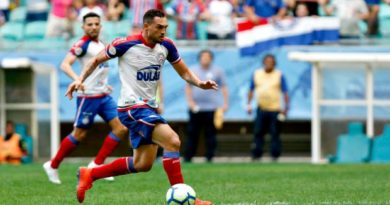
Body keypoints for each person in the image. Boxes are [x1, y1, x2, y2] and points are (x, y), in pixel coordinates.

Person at [65, 9, 213, 205]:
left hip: (148, 109)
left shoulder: (167, 45)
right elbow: (95, 60)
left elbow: (184, 72)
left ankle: (90, 174)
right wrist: (78, 80)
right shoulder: (125, 44)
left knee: (142, 164)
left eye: (166, 27)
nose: (163, 31)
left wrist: (199, 83)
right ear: (146, 26)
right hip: (131, 108)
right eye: (159, 27)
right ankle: (189, 200)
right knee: (173, 141)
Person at [43, 12, 128, 185]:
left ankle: (96, 164)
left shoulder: (101, 44)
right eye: (89, 24)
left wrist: (104, 84)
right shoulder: (82, 44)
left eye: (96, 24)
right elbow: (65, 64)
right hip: (87, 97)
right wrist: (77, 79)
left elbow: (99, 69)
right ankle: (52, 165)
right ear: (83, 27)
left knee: (121, 128)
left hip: (104, 95)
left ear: (101, 26)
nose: (93, 27)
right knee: (79, 135)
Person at [184, 49, 229, 163]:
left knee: (210, 134)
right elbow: (188, 87)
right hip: (196, 108)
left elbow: (224, 87)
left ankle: (210, 157)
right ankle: (188, 157)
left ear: (211, 58)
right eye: (203, 57)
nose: (205, 59)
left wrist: (225, 103)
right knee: (193, 133)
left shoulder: (218, 71)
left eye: (208, 57)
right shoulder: (193, 70)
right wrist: (190, 103)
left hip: (212, 108)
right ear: (199, 58)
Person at [246, 54, 289, 161]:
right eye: (267, 61)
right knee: (258, 132)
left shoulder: (279, 74)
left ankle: (275, 155)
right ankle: (256, 154)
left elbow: (285, 92)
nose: (269, 63)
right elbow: (251, 90)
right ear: (263, 62)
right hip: (261, 108)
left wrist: (286, 108)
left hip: (275, 109)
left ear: (274, 63)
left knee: (275, 133)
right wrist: (249, 104)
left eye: (271, 61)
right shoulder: (257, 74)